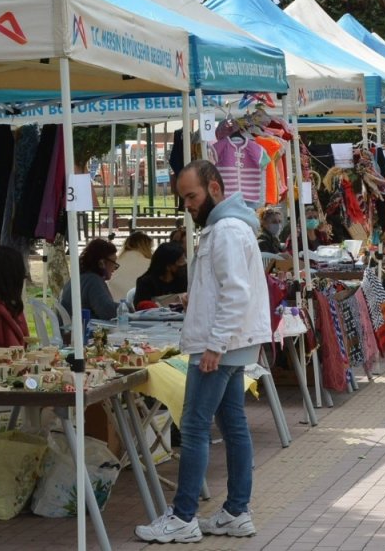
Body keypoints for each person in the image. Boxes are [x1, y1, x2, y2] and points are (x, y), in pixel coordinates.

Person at [136, 160, 270, 542]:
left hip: (219, 346)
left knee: (195, 427)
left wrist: (213, 344)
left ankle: (183, 517)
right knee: (233, 425)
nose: (187, 205)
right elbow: (228, 287)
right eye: (184, 198)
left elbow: (236, 291)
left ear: (213, 187)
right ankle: (236, 511)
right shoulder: (229, 227)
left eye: (191, 196)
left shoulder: (226, 230)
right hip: (232, 344)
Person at [60, 237, 119, 321]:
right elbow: (109, 313)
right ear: (101, 263)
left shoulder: (80, 278)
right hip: (81, 332)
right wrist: (126, 307)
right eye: (113, 263)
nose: (114, 268)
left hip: (70, 330)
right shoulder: (93, 281)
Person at [134, 241, 189, 307]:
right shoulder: (145, 283)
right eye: (181, 261)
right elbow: (140, 308)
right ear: (168, 266)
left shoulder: (184, 280)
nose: (184, 263)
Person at [109, 231, 154, 300]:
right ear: (146, 247)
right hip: (142, 306)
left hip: (116, 305)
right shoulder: (151, 264)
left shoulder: (114, 262)